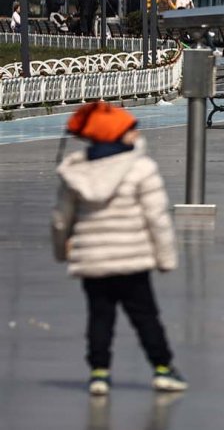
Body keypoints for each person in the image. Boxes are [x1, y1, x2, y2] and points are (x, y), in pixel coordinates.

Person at [51, 102, 187, 396]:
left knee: (99, 316)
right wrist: (165, 258)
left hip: (93, 260)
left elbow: (62, 219)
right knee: (145, 316)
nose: (136, 133)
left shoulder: (78, 171)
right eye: (130, 128)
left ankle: (99, 373)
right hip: (133, 259)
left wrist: (62, 251)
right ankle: (163, 369)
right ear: (117, 135)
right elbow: (157, 218)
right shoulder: (141, 169)